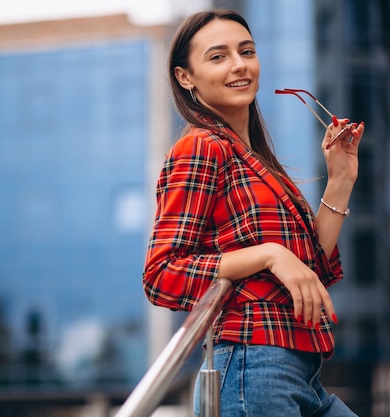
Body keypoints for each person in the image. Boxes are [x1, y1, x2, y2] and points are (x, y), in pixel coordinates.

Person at [142, 9, 365, 417]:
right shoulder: (202, 147)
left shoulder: (257, 162)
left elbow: (311, 266)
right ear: (185, 77)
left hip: (303, 372)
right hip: (252, 366)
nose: (239, 64)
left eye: (246, 51)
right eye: (218, 56)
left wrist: (340, 180)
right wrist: (269, 254)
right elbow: (162, 275)